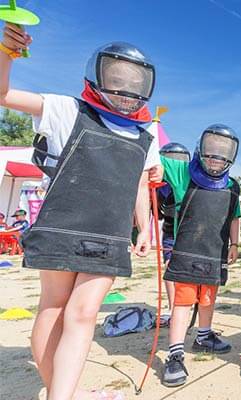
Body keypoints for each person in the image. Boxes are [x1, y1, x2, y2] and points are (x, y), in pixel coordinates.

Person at [1, 25, 160, 399]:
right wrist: (7, 53)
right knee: (54, 309)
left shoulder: (146, 134)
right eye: (116, 77)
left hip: (109, 233)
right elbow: (4, 94)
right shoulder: (65, 108)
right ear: (97, 74)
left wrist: (144, 229)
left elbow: (139, 185)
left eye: (133, 81)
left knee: (84, 313)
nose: (124, 89)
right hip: (61, 225)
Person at [159, 125, 241, 387]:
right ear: (201, 149)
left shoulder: (232, 185)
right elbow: (151, 158)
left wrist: (235, 244)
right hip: (185, 252)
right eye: (211, 153)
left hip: (214, 253)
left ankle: (204, 336)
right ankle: (175, 354)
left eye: (222, 154)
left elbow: (235, 215)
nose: (215, 159)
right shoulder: (182, 172)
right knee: (182, 303)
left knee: (208, 298)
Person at [157, 142, 191, 325]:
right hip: (169, 230)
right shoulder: (160, 185)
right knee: (170, 270)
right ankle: (173, 309)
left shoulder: (185, 179)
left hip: (186, 230)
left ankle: (182, 309)